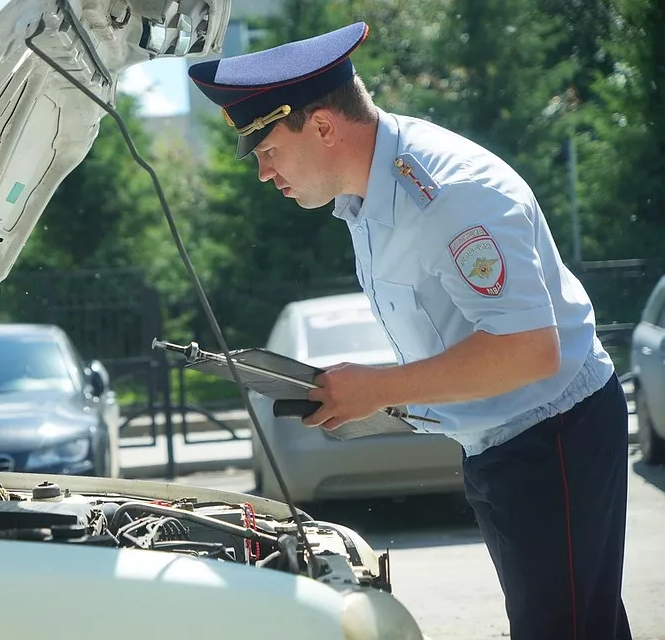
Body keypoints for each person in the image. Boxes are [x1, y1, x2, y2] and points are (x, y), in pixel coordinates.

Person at [188, 21, 631, 640]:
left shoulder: (449, 194)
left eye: (267, 150)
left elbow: (529, 350)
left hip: (554, 435)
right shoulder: (368, 194)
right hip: (503, 443)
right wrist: (369, 389)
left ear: (321, 126)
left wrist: (377, 389)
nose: (264, 173)